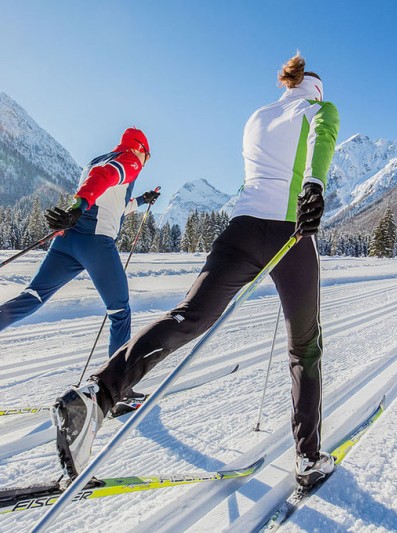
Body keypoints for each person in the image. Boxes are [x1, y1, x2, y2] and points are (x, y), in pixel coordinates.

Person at [52, 53, 340, 488]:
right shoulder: (320, 109)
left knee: (187, 317)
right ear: (315, 89)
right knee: (304, 347)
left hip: (241, 230)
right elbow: (323, 140)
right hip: (293, 234)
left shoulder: (258, 117)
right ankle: (308, 458)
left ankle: (97, 395)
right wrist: (314, 188)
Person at [0, 127, 159, 412]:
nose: (146, 161)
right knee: (120, 311)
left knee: (30, 299)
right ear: (140, 147)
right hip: (96, 243)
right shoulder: (128, 159)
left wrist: (141, 201)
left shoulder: (99, 159)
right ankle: (118, 389)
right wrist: (79, 206)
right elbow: (103, 178)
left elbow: (111, 201)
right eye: (148, 155)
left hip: (67, 241)